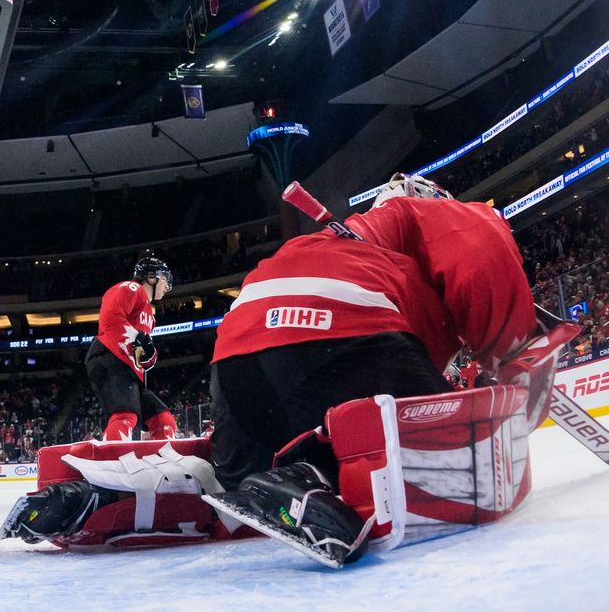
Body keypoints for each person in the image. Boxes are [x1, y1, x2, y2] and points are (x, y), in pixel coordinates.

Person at [207, 173, 536, 562]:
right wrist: (514, 352)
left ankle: (218, 480)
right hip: (337, 329)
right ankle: (307, 475)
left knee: (250, 474)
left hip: (232, 357)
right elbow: (482, 247)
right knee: (454, 450)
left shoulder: (342, 243)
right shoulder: (425, 213)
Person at [84, 257, 178, 441]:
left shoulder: (150, 315)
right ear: (152, 277)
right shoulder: (131, 288)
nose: (167, 286)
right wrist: (139, 339)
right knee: (125, 416)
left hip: (128, 369)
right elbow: (110, 319)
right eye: (165, 279)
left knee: (163, 419)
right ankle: (111, 461)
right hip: (109, 356)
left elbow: (143, 356)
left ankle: (161, 462)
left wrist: (149, 355)